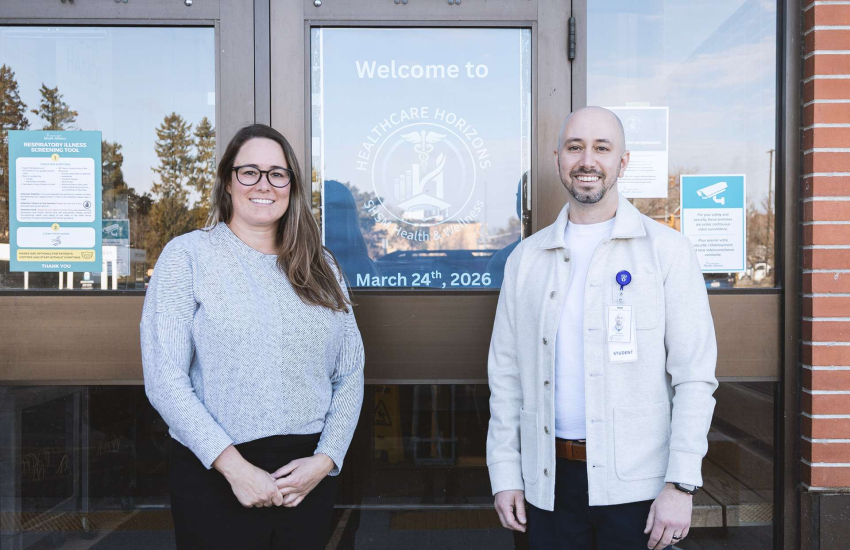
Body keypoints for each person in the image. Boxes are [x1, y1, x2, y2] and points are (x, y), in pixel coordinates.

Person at [486, 107, 718, 550]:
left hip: (640, 488)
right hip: (547, 484)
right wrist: (505, 473)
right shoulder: (526, 259)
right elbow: (506, 376)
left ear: (623, 162)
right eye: (575, 148)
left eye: (602, 148)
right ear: (558, 158)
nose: (587, 160)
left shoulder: (667, 252)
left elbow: (694, 378)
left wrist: (681, 484)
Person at [141, 124, 365, 549]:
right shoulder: (188, 256)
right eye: (250, 172)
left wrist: (327, 459)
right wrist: (235, 469)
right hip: (216, 472)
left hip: (307, 477)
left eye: (278, 173)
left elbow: (350, 371)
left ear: (292, 185)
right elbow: (165, 380)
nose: (265, 185)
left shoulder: (322, 266)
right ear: (228, 181)